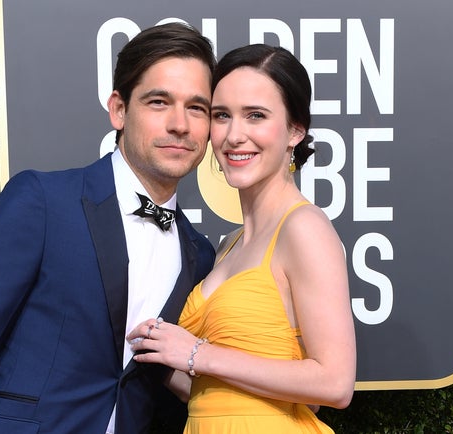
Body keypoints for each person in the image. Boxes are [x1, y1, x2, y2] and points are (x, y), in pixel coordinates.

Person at [0, 22, 216, 434]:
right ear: (119, 110)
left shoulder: (199, 254)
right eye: (159, 102)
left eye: (197, 107)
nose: (180, 124)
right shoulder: (41, 200)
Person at [127, 44, 357, 433]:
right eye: (222, 116)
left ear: (295, 130)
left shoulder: (304, 228)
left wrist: (197, 352)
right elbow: (214, 393)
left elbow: (333, 386)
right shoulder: (228, 244)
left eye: (256, 116)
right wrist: (160, 359)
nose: (234, 136)